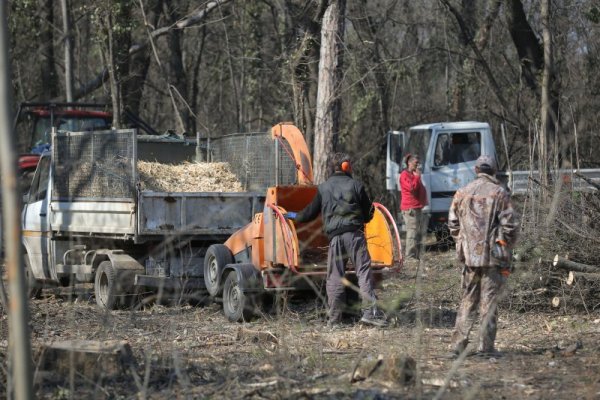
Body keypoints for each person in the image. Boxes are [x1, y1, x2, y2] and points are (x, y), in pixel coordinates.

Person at [289, 152, 387, 328]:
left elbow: (308, 214)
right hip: (355, 236)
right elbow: (370, 213)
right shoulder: (356, 185)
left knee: (334, 277)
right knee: (363, 273)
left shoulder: (323, 188)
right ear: (346, 166)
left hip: (335, 239)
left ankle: (334, 321)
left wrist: (290, 215)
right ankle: (370, 314)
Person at [448, 155, 519, 357]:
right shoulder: (499, 193)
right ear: (494, 170)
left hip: (469, 258)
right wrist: (505, 247)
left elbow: (453, 223)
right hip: (492, 258)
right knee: (488, 302)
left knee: (468, 300)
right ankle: (485, 348)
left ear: (476, 170)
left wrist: (463, 244)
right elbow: (511, 225)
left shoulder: (461, 193)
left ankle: (457, 346)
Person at [399, 154, 428, 261]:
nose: (418, 165)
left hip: (417, 207)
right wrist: (417, 177)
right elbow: (412, 188)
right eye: (416, 163)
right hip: (410, 208)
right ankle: (410, 256)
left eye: (419, 163)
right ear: (409, 163)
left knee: (416, 232)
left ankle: (415, 255)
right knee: (412, 231)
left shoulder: (414, 174)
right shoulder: (404, 175)